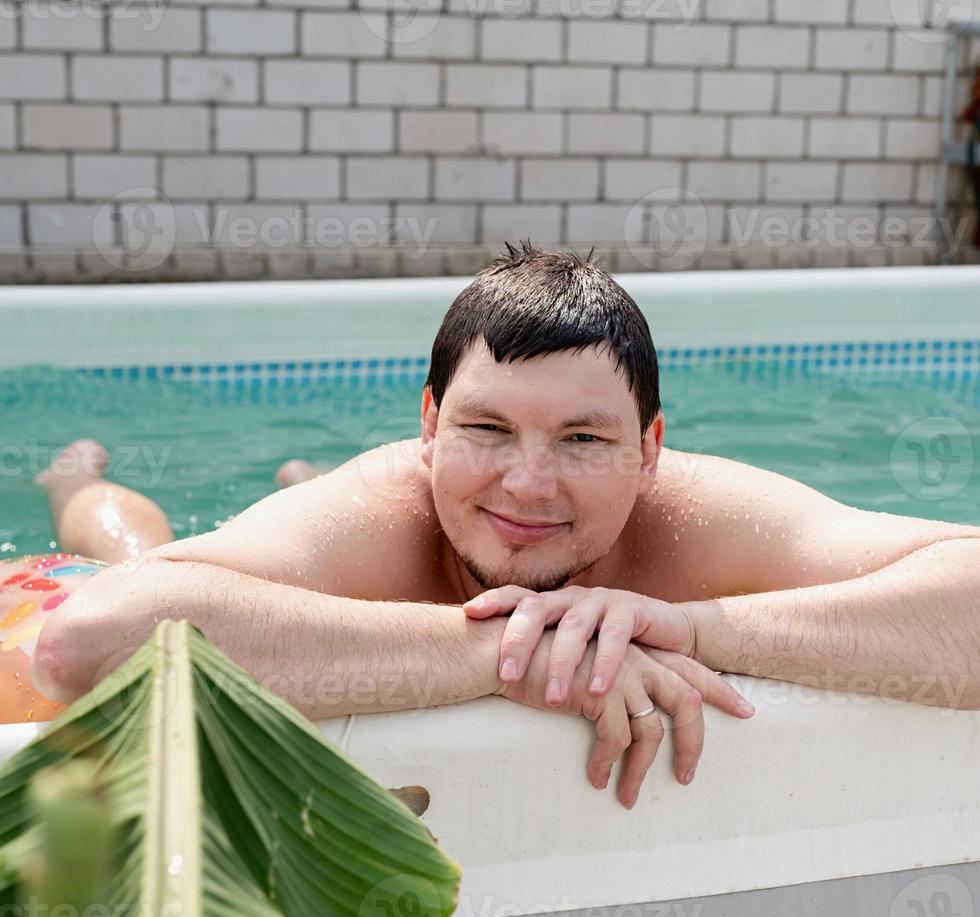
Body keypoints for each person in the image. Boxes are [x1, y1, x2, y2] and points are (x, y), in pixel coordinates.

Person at [30, 243, 980, 811]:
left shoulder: (694, 515)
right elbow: (87, 643)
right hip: (280, 542)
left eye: (583, 439)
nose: (529, 485)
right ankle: (76, 478)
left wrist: (695, 627)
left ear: (650, 449)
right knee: (130, 555)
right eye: (485, 430)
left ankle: (299, 481)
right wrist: (516, 653)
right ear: (430, 427)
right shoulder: (389, 507)